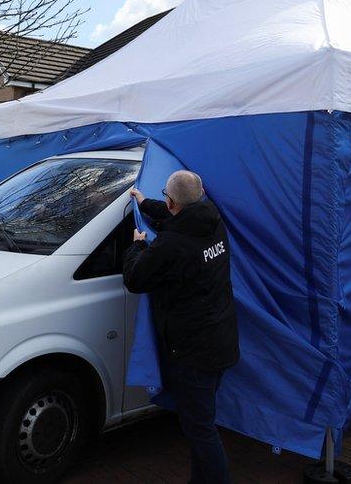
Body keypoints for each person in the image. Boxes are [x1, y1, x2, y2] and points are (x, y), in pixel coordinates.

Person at [123, 170, 239, 484]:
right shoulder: (213, 220)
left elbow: (136, 279)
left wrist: (136, 246)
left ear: (171, 200)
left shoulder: (171, 245)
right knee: (201, 422)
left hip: (194, 352)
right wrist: (144, 202)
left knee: (200, 429)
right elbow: (175, 218)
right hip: (221, 340)